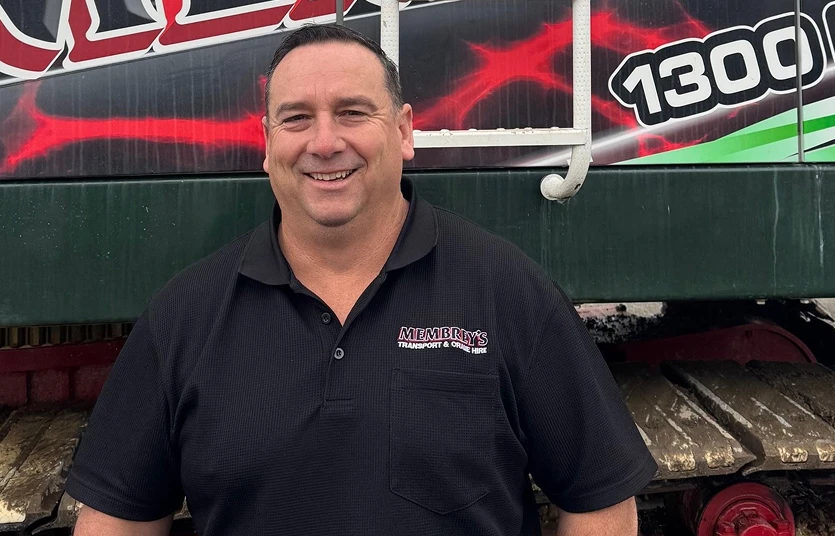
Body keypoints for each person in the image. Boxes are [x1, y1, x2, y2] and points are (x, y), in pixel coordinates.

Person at [66, 23, 657, 536]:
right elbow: (119, 517)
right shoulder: (187, 315)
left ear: (403, 131)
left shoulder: (505, 290)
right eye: (297, 119)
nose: (325, 143)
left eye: (352, 112)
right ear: (267, 144)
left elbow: (601, 498)